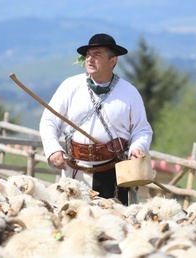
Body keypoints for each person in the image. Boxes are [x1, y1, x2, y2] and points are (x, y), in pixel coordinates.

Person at [39, 33, 153, 205]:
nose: (90, 59)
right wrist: (53, 149)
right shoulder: (70, 86)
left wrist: (137, 147)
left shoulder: (129, 93)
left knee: (111, 223)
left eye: (97, 55)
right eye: (88, 55)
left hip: (114, 172)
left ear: (113, 60)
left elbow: (141, 129)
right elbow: (48, 121)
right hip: (74, 171)